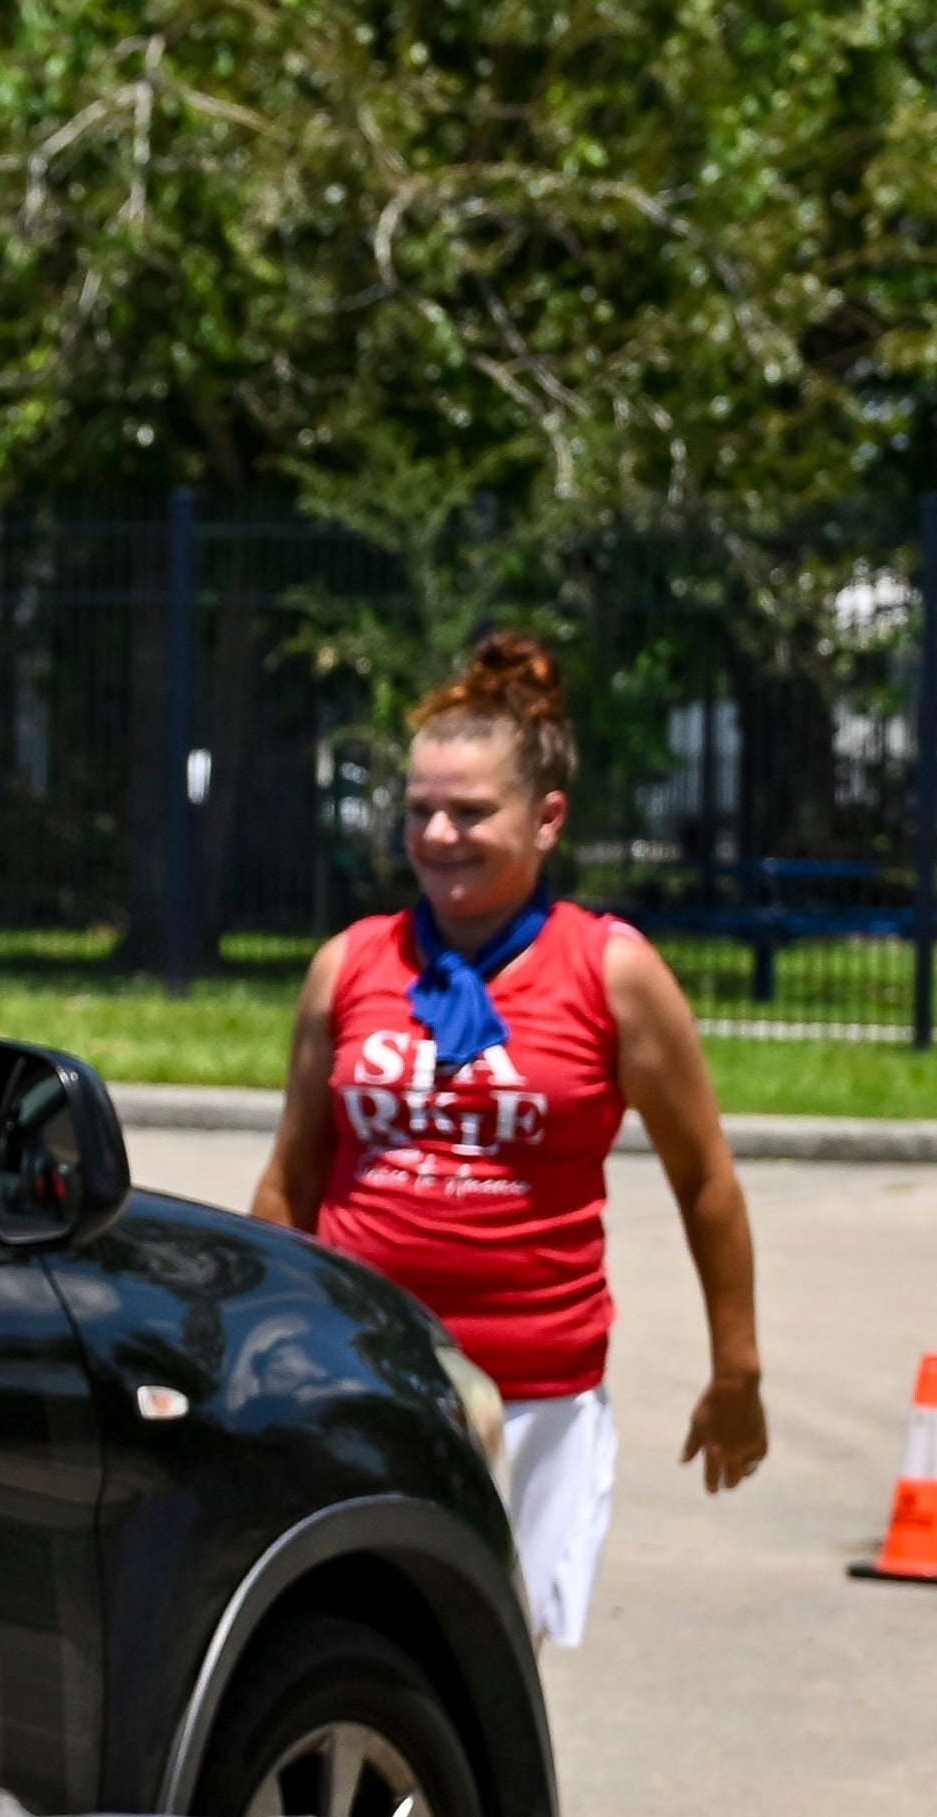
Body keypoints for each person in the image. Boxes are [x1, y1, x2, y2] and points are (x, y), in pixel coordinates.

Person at [250, 631, 766, 1644]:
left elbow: (705, 1179)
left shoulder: (611, 972)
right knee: (356, 1635)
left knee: (492, 1658)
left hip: (537, 1400)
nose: (439, 833)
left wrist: (736, 1371)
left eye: (471, 811)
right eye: (419, 811)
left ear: (548, 817)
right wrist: (264, 1349)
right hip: (365, 1379)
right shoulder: (350, 964)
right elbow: (291, 1180)